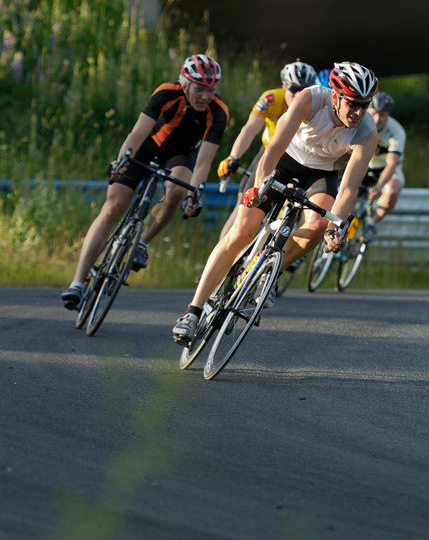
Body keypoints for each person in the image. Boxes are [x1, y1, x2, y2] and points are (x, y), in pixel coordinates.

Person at [173, 61, 379, 346]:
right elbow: (273, 149)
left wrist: (336, 228)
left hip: (323, 172)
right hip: (284, 160)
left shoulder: (367, 133)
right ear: (336, 96)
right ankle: (192, 312)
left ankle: (269, 274)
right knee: (241, 232)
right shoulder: (311, 98)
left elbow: (348, 189)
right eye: (353, 104)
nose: (358, 112)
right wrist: (258, 188)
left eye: (365, 105)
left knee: (318, 224)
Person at [61, 54, 228, 311]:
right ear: (185, 85)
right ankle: (77, 283)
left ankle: (142, 243)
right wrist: (121, 162)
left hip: (181, 155)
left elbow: (204, 162)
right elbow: (137, 134)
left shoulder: (218, 113)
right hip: (148, 146)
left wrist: (194, 194)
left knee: (178, 190)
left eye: (210, 90)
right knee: (113, 208)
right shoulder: (166, 93)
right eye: (199, 89)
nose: (205, 96)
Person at [217, 60, 317, 238]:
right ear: (284, 87)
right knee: (243, 203)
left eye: (305, 90)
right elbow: (250, 129)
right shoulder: (271, 99)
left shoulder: (315, 106)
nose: (299, 95)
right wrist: (234, 156)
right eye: (294, 90)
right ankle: (225, 248)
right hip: (269, 152)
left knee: (288, 206)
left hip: (296, 157)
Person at [361, 91, 406, 243]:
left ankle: (372, 224)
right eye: (374, 113)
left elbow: (392, 163)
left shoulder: (396, 131)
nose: (377, 119)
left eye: (383, 115)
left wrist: (380, 187)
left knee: (392, 192)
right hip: (364, 164)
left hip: (386, 169)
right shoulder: (359, 121)